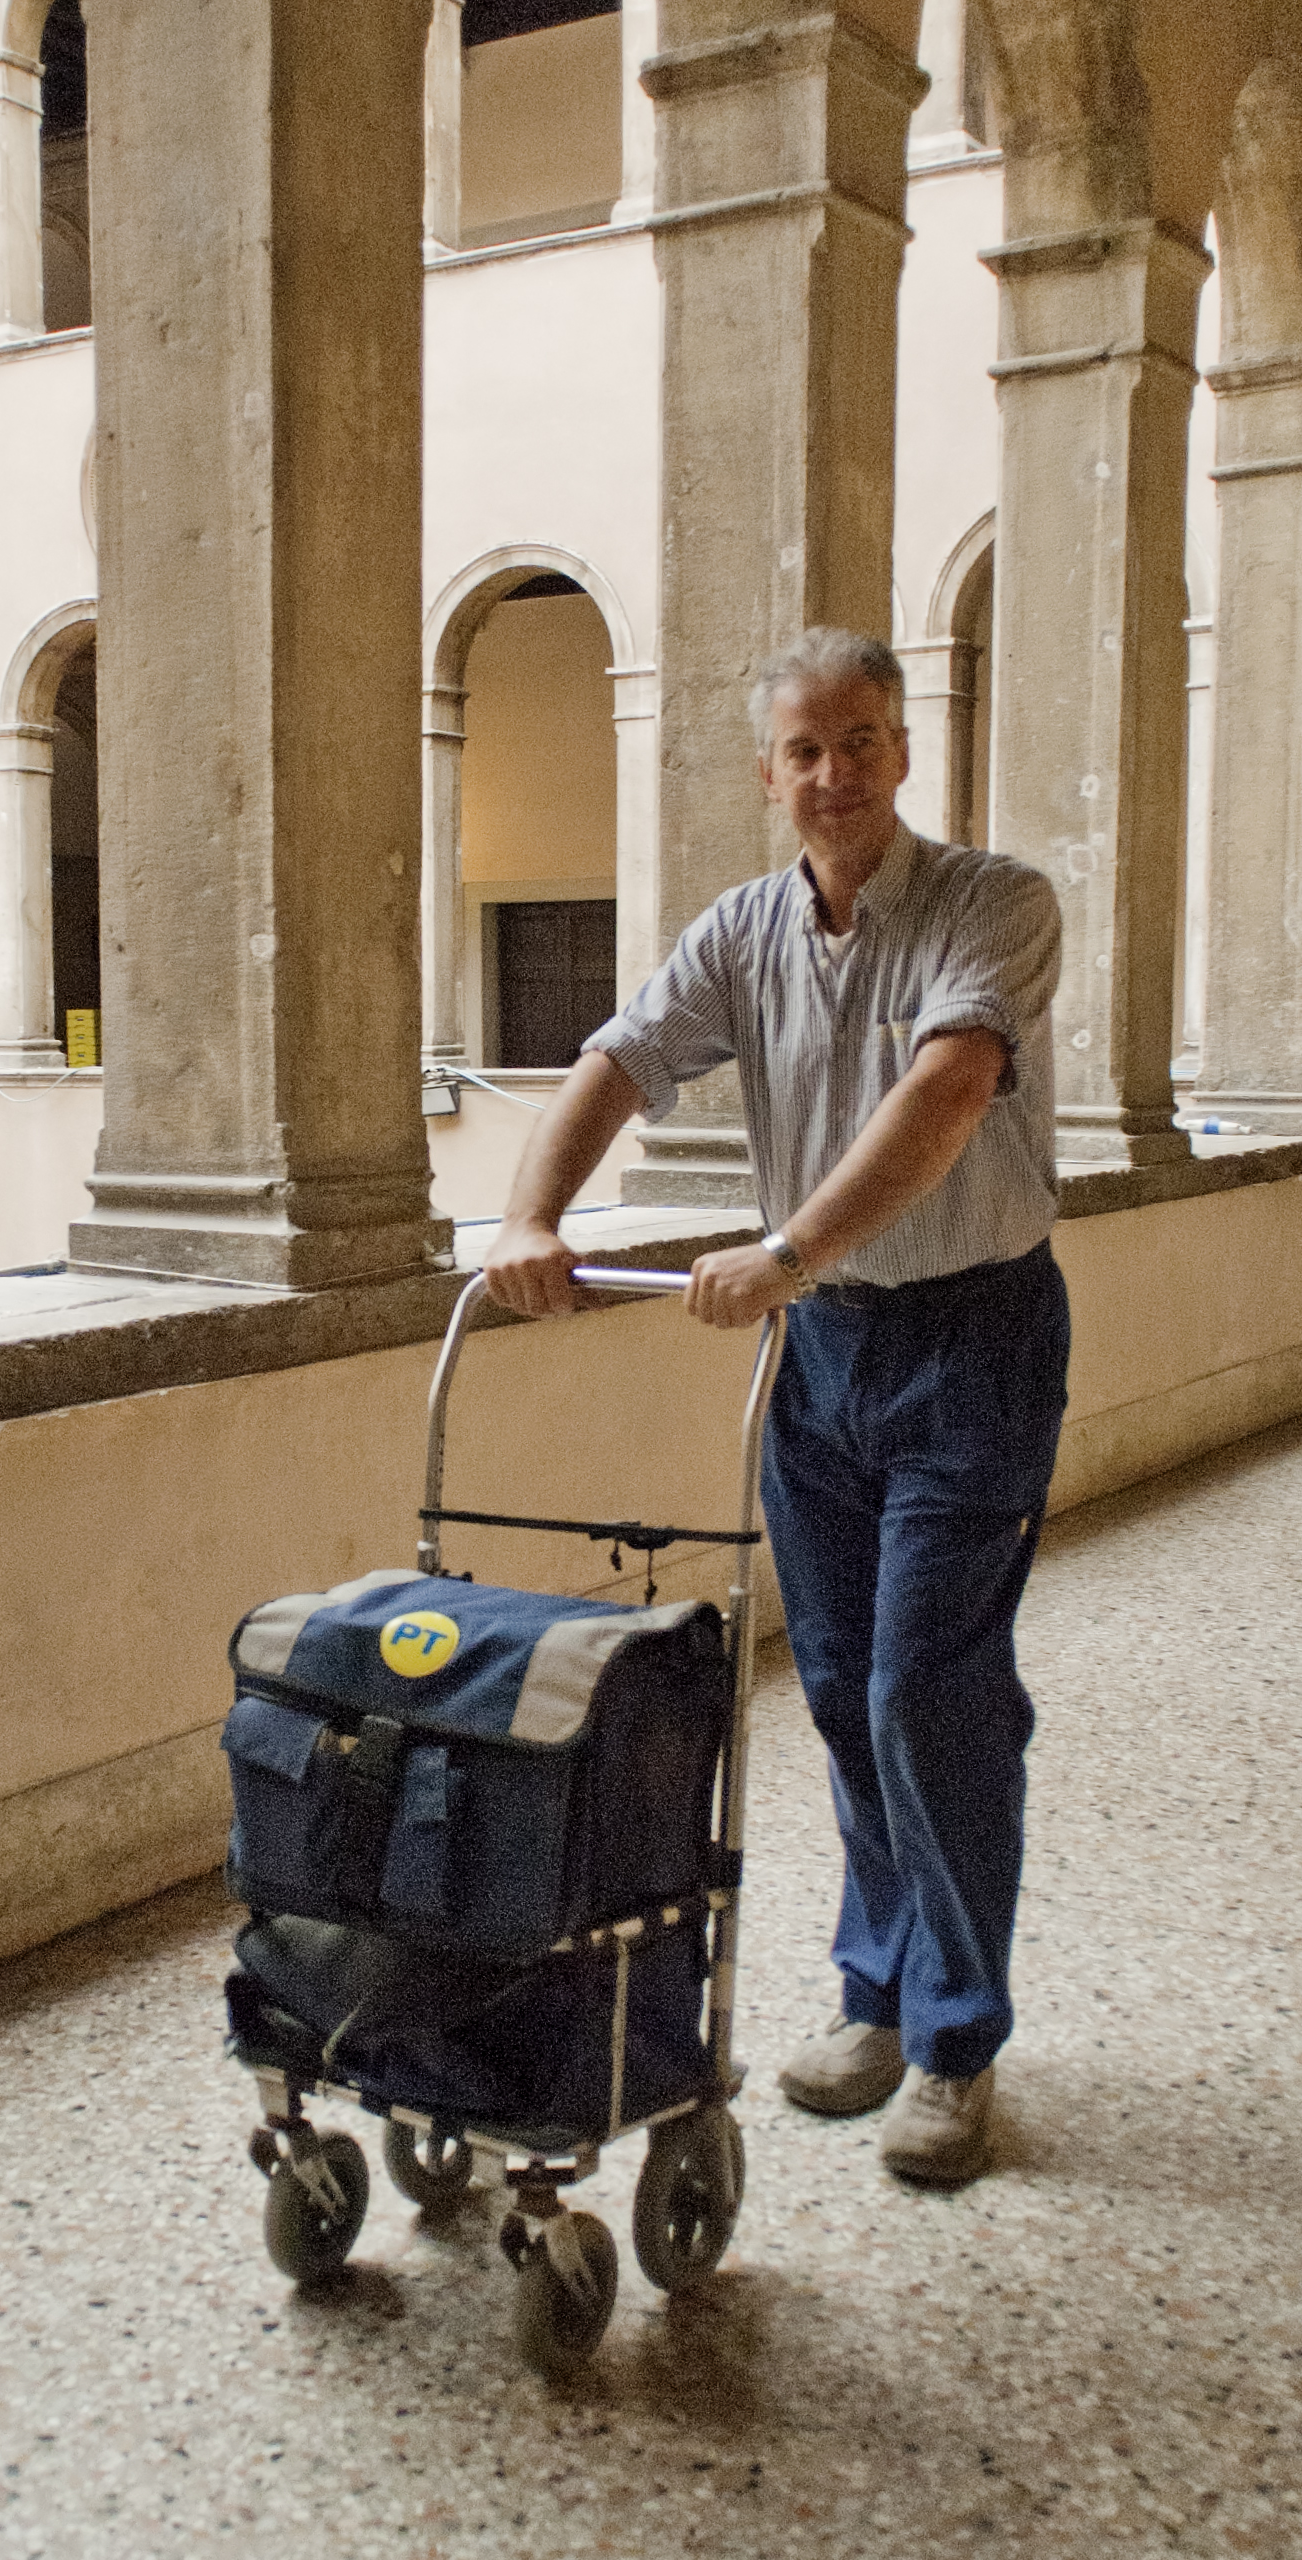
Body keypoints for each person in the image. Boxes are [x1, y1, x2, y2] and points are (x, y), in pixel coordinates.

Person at [483, 627, 1068, 2187]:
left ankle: (956, 2041)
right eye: (805, 751)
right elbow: (617, 1059)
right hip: (820, 1360)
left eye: (862, 741)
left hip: (973, 1336)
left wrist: (791, 1245)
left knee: (926, 1691)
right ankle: (876, 1994)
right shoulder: (743, 930)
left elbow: (949, 1089)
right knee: (830, 1687)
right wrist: (530, 1218)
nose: (835, 775)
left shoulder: (993, 904)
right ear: (770, 773)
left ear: (902, 749)